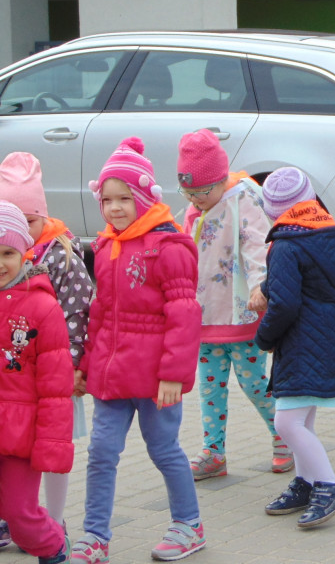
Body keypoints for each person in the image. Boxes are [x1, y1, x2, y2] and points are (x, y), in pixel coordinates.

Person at [73, 137, 205, 563]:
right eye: (107, 199)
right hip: (112, 379)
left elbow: (184, 315)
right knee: (100, 453)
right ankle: (95, 536)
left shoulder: (168, 248)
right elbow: (99, 312)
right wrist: (85, 365)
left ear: (145, 198)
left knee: (164, 449)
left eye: (124, 198)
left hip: (155, 381)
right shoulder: (107, 246)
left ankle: (189, 524)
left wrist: (173, 374)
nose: (114, 207)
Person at [176, 130, 289, 481]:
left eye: (202, 192)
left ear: (221, 179)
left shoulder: (243, 202)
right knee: (209, 386)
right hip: (205, 315)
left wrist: (261, 287)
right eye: (189, 192)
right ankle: (213, 451)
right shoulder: (194, 211)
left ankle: (284, 435)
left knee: (254, 383)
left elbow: (258, 246)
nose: (196, 199)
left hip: (241, 313)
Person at [0, 152, 92, 532]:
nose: (26, 228)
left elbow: (79, 313)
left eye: (32, 220)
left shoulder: (63, 253)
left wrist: (73, 365)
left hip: (56, 374)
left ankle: (53, 521)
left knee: (54, 447)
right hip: (14, 378)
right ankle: (15, 518)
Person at [258, 167, 335, 529]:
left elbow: (283, 303)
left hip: (300, 342)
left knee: (286, 421)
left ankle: (329, 485)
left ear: (273, 211)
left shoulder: (285, 245)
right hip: (327, 336)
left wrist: (265, 337)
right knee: (303, 417)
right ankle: (306, 481)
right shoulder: (325, 235)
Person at [0, 201, 74, 564]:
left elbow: (56, 389)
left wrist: (52, 445)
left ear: (24, 253)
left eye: (8, 253)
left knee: (20, 517)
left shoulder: (43, 308)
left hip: (20, 435)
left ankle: (55, 548)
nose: (0, 262)